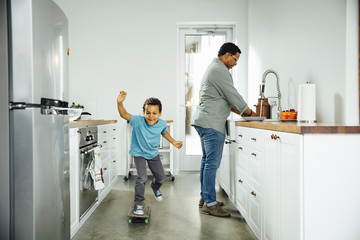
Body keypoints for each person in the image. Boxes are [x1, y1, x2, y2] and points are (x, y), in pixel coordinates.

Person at [192, 42, 256, 218]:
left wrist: (246, 113)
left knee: (206, 162)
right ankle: (210, 205)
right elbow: (233, 95)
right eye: (235, 59)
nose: (236, 63)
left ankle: (205, 199)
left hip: (204, 120)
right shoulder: (220, 70)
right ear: (227, 55)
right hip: (211, 123)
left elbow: (226, 101)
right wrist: (251, 113)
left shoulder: (214, 68)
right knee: (211, 164)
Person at [117, 91, 183, 215]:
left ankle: (155, 187)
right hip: (139, 153)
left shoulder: (162, 123)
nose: (151, 116)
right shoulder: (137, 120)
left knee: (161, 177)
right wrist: (119, 103)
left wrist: (173, 142)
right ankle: (138, 204)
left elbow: (164, 132)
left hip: (153, 153)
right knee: (142, 178)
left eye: (154, 113)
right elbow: (124, 114)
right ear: (144, 112)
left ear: (160, 113)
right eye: (148, 113)